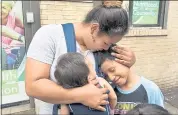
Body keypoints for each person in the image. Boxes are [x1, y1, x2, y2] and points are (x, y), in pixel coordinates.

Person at [25, 2, 136, 114]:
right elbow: (33, 86)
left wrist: (128, 64)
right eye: (106, 43)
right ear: (94, 28)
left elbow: (116, 80)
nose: (107, 48)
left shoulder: (100, 49)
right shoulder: (50, 35)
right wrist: (81, 95)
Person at [94, 46, 164, 114]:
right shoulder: (110, 90)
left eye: (112, 70)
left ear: (123, 60)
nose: (111, 78)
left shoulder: (151, 89)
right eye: (106, 75)